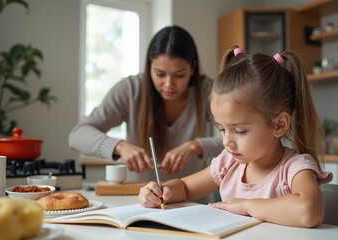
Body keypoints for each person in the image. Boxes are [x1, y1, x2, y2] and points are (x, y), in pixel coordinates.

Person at [138, 47, 333, 228]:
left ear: (279, 125)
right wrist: (160, 192)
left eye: (239, 131)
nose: (226, 142)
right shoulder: (229, 163)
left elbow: (309, 211)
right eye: (222, 129)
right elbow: (185, 187)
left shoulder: (295, 169)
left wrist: (247, 206)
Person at [69, 26, 223, 183]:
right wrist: (119, 146)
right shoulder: (130, 90)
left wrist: (195, 146)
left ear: (192, 68)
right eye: (160, 74)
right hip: (140, 199)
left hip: (195, 202)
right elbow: (77, 135)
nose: (169, 84)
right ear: (149, 67)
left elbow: (236, 138)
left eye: (179, 75)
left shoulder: (207, 91)